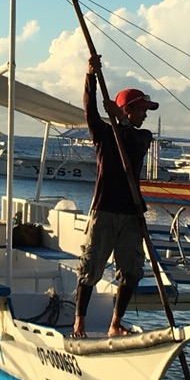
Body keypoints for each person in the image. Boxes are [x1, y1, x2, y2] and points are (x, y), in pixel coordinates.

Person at [71, 55, 157, 338]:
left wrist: (122, 121)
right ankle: (79, 323)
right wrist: (91, 77)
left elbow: (133, 144)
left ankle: (115, 322)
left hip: (132, 212)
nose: (145, 114)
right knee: (90, 268)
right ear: (128, 109)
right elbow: (89, 111)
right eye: (141, 109)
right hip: (105, 210)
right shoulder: (104, 135)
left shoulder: (142, 137)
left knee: (132, 270)